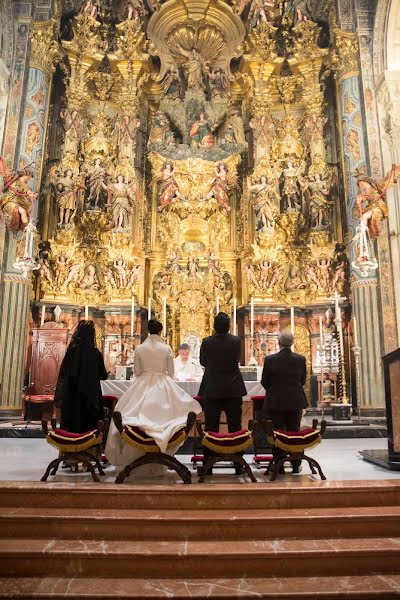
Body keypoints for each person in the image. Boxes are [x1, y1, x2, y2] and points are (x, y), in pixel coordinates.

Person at [105, 319, 202, 476]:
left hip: (142, 384)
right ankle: (163, 453)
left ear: (148, 331)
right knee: (169, 417)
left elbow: (136, 372)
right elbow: (170, 373)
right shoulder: (166, 348)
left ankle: (136, 458)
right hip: (162, 384)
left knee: (130, 413)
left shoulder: (140, 348)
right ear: (161, 331)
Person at [199, 312, 246, 474]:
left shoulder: (207, 342)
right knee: (235, 426)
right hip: (233, 388)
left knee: (211, 427)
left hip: (212, 388)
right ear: (229, 326)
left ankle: (209, 464)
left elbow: (202, 362)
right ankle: (238, 464)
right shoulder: (236, 341)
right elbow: (237, 360)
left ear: (214, 326)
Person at [261, 331, 308, 473]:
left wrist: (275, 391)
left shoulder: (270, 359)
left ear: (278, 342)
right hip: (295, 401)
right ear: (292, 343)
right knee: (294, 431)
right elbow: (302, 380)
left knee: (278, 432)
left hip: (276, 402)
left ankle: (279, 463)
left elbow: (264, 381)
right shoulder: (301, 359)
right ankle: (295, 464)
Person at [54, 320, 107, 433]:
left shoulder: (71, 352)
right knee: (89, 427)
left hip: (72, 396)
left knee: (72, 425)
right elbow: (103, 375)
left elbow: (63, 373)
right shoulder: (95, 353)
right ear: (92, 336)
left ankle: (70, 446)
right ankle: (90, 447)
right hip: (91, 397)